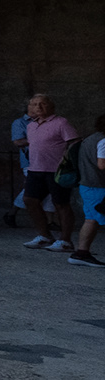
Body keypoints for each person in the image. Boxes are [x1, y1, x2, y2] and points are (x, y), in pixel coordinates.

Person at [20, 93, 79, 251]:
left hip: (56, 171)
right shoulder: (31, 126)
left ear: (51, 106)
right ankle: (44, 236)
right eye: (35, 104)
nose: (38, 107)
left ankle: (65, 241)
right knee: (29, 200)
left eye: (43, 103)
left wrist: (68, 162)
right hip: (35, 169)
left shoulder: (61, 122)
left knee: (61, 204)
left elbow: (75, 142)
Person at [69, 115, 105, 269]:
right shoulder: (103, 140)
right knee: (93, 219)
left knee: (91, 219)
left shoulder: (90, 138)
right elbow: (102, 164)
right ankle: (81, 253)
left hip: (88, 185)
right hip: (98, 186)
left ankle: (81, 253)